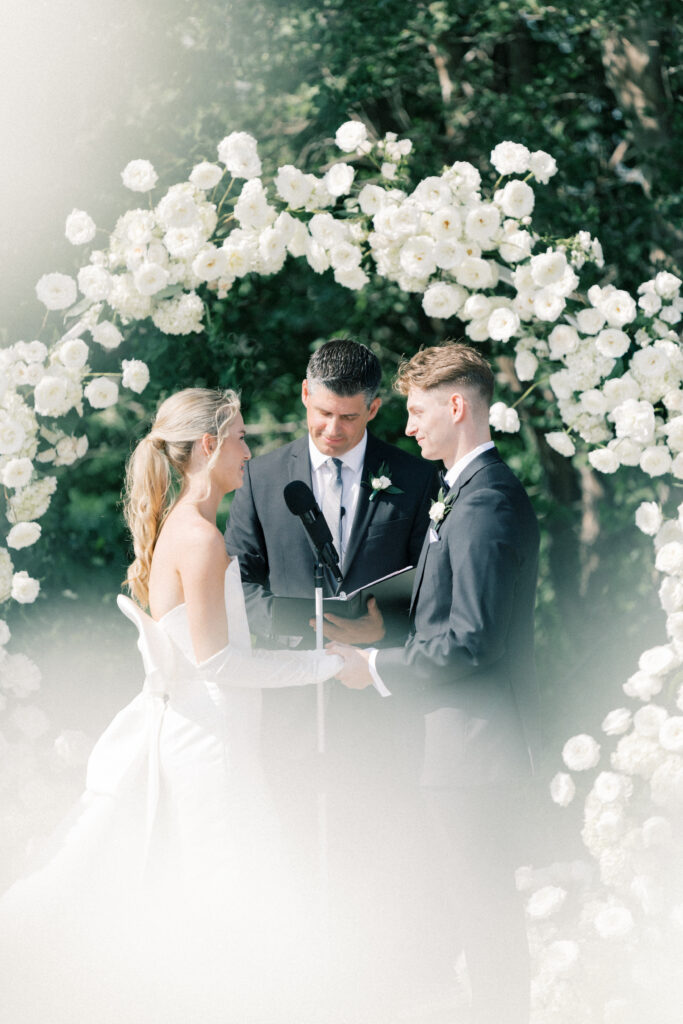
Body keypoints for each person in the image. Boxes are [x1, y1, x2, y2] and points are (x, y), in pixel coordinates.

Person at [0, 388, 342, 1024]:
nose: (249, 451)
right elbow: (217, 663)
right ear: (209, 446)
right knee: (226, 885)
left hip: (215, 731)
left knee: (229, 884)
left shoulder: (189, 527)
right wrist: (326, 666)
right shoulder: (199, 538)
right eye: (240, 437)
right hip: (208, 738)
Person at [225, 338, 438, 1013]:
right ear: (303, 395)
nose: (331, 430)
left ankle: (374, 994)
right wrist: (302, 635)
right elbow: (240, 582)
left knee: (376, 855)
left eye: (348, 418)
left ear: (375, 407)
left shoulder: (416, 479)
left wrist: (385, 632)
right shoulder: (261, 479)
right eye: (320, 414)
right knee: (293, 851)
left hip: (377, 709)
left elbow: (433, 588)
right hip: (291, 708)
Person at [330, 343, 540, 1024]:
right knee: (464, 911)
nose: (410, 426)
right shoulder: (464, 494)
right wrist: (372, 627)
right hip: (452, 750)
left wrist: (378, 670)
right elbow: (444, 612)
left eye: (418, 411)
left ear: (456, 406)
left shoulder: (485, 503)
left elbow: (472, 638)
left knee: (483, 915)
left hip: (472, 754)